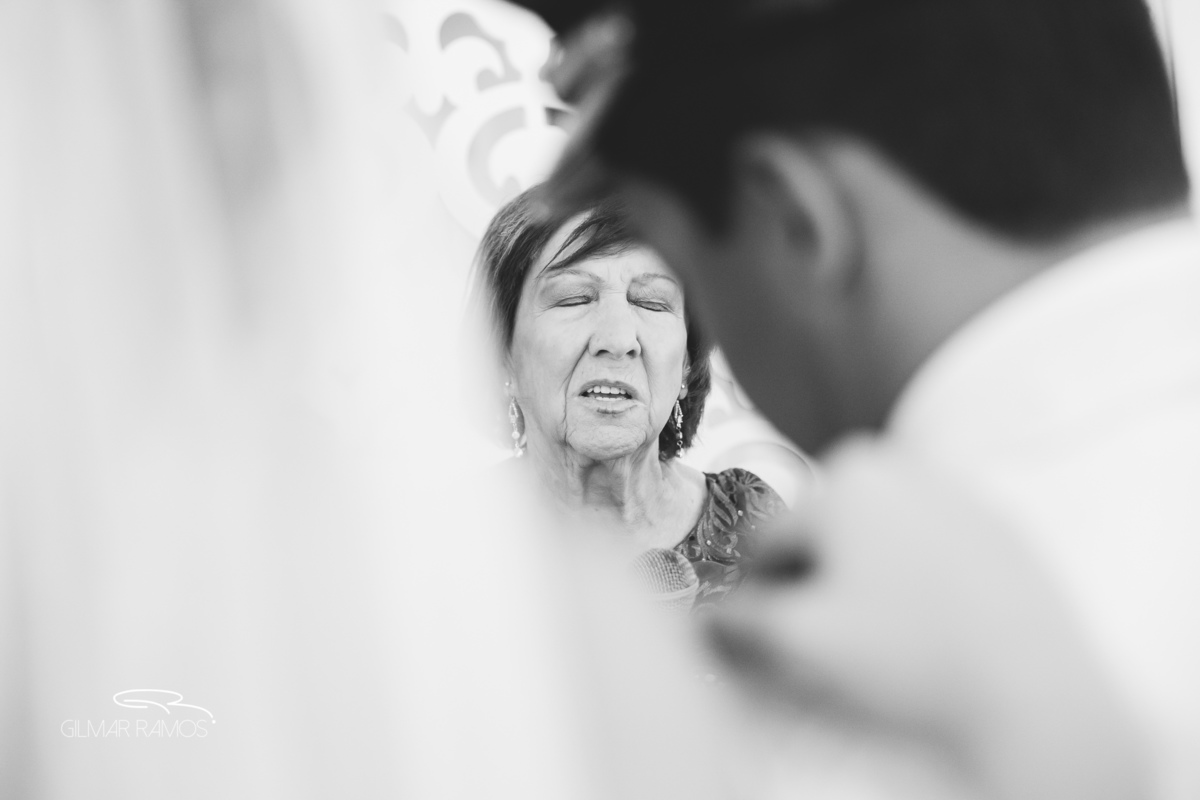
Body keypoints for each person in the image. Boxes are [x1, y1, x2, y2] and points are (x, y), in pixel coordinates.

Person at [507, 0, 1200, 798]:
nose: (622, 338)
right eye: (572, 300)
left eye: (677, 279)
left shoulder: (869, 704)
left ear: (795, 218)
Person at [470, 186, 786, 607]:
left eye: (653, 303)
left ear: (688, 362)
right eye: (574, 299)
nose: (619, 340)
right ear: (504, 353)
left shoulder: (750, 521)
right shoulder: (438, 542)